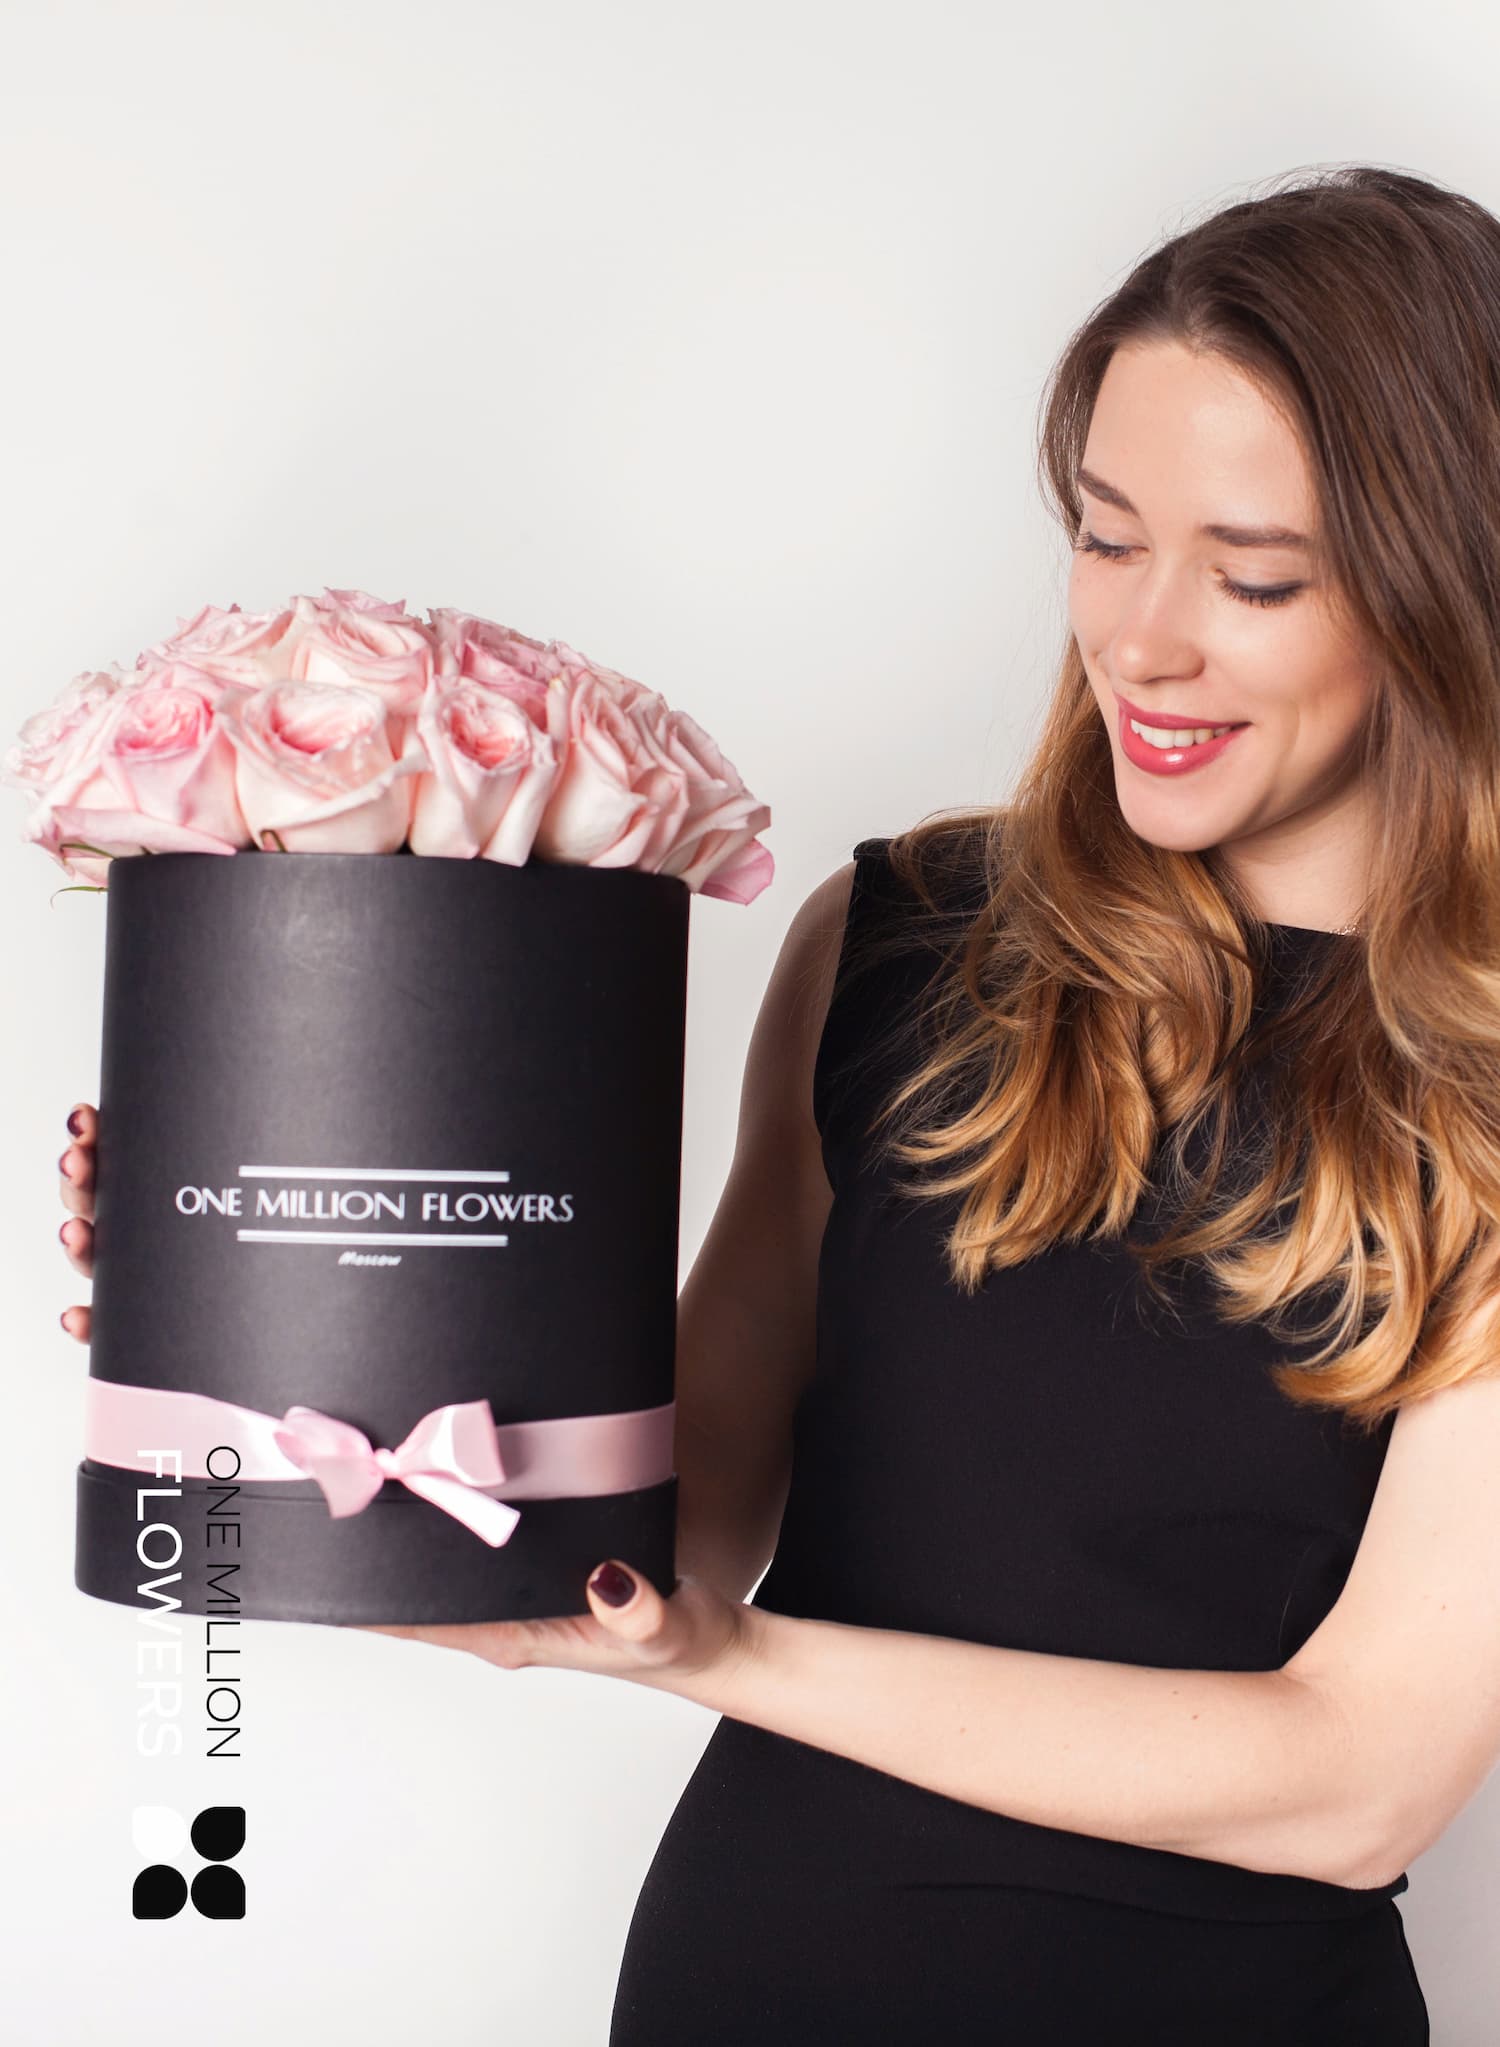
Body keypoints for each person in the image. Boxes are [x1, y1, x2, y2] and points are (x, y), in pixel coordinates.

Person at [69, 160, 1500, 2041]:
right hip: (747, 1980)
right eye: (1104, 536)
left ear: (1443, 586)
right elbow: (674, 1513)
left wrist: (727, 1660)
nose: (1142, 641)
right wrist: (277, 1285)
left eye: (1255, 576)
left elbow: (1359, 1780)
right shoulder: (896, 938)